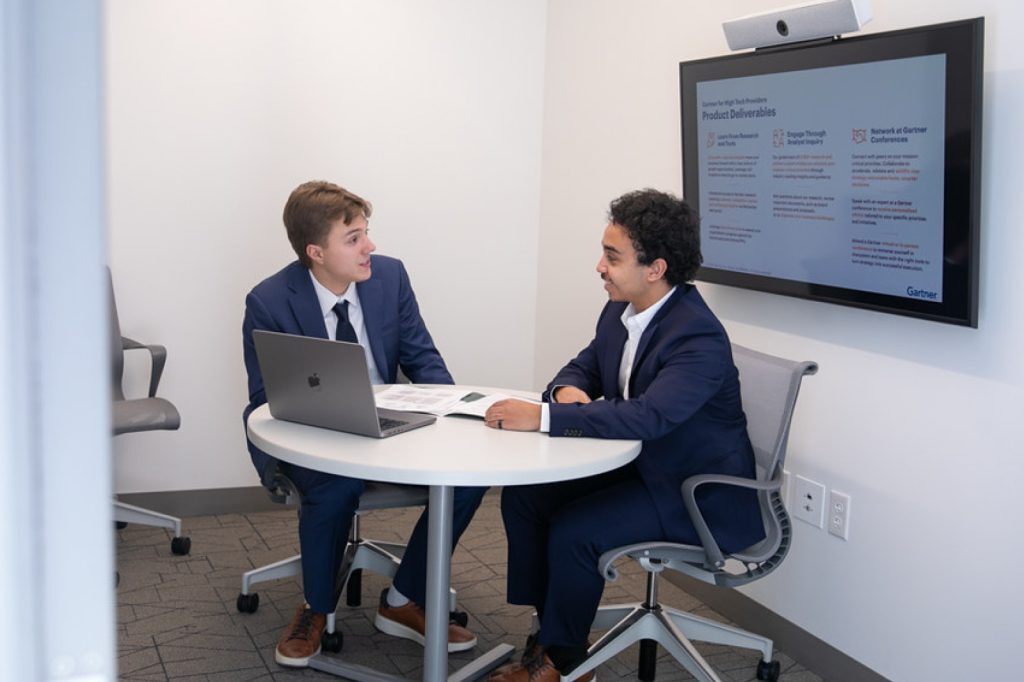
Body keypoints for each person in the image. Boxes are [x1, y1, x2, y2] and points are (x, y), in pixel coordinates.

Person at [482, 189, 765, 682]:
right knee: (526, 498)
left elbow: (648, 417)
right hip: (639, 465)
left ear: (655, 269)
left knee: (576, 530)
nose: (600, 267)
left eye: (612, 257)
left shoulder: (697, 336)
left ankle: (565, 663)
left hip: (692, 490)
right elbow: (587, 364)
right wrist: (566, 389)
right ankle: (551, 630)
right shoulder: (622, 309)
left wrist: (546, 416)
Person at [242, 180, 487, 667]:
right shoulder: (269, 301)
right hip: (313, 433)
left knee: (469, 477)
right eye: (353, 238)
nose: (369, 246)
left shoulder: (389, 277)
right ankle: (316, 607)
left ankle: (403, 598)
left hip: (391, 424)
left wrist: (456, 415)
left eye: (366, 232)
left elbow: (423, 359)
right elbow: (266, 399)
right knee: (335, 486)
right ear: (316, 253)